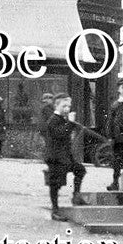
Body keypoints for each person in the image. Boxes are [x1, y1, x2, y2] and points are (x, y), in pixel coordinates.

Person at [44, 93, 85, 221]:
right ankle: (55, 210)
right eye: (64, 106)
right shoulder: (53, 120)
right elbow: (61, 134)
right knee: (55, 184)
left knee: (80, 170)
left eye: (69, 106)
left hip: (65, 156)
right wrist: (71, 123)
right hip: (55, 158)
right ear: (56, 106)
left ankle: (76, 196)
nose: (67, 109)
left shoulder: (62, 119)